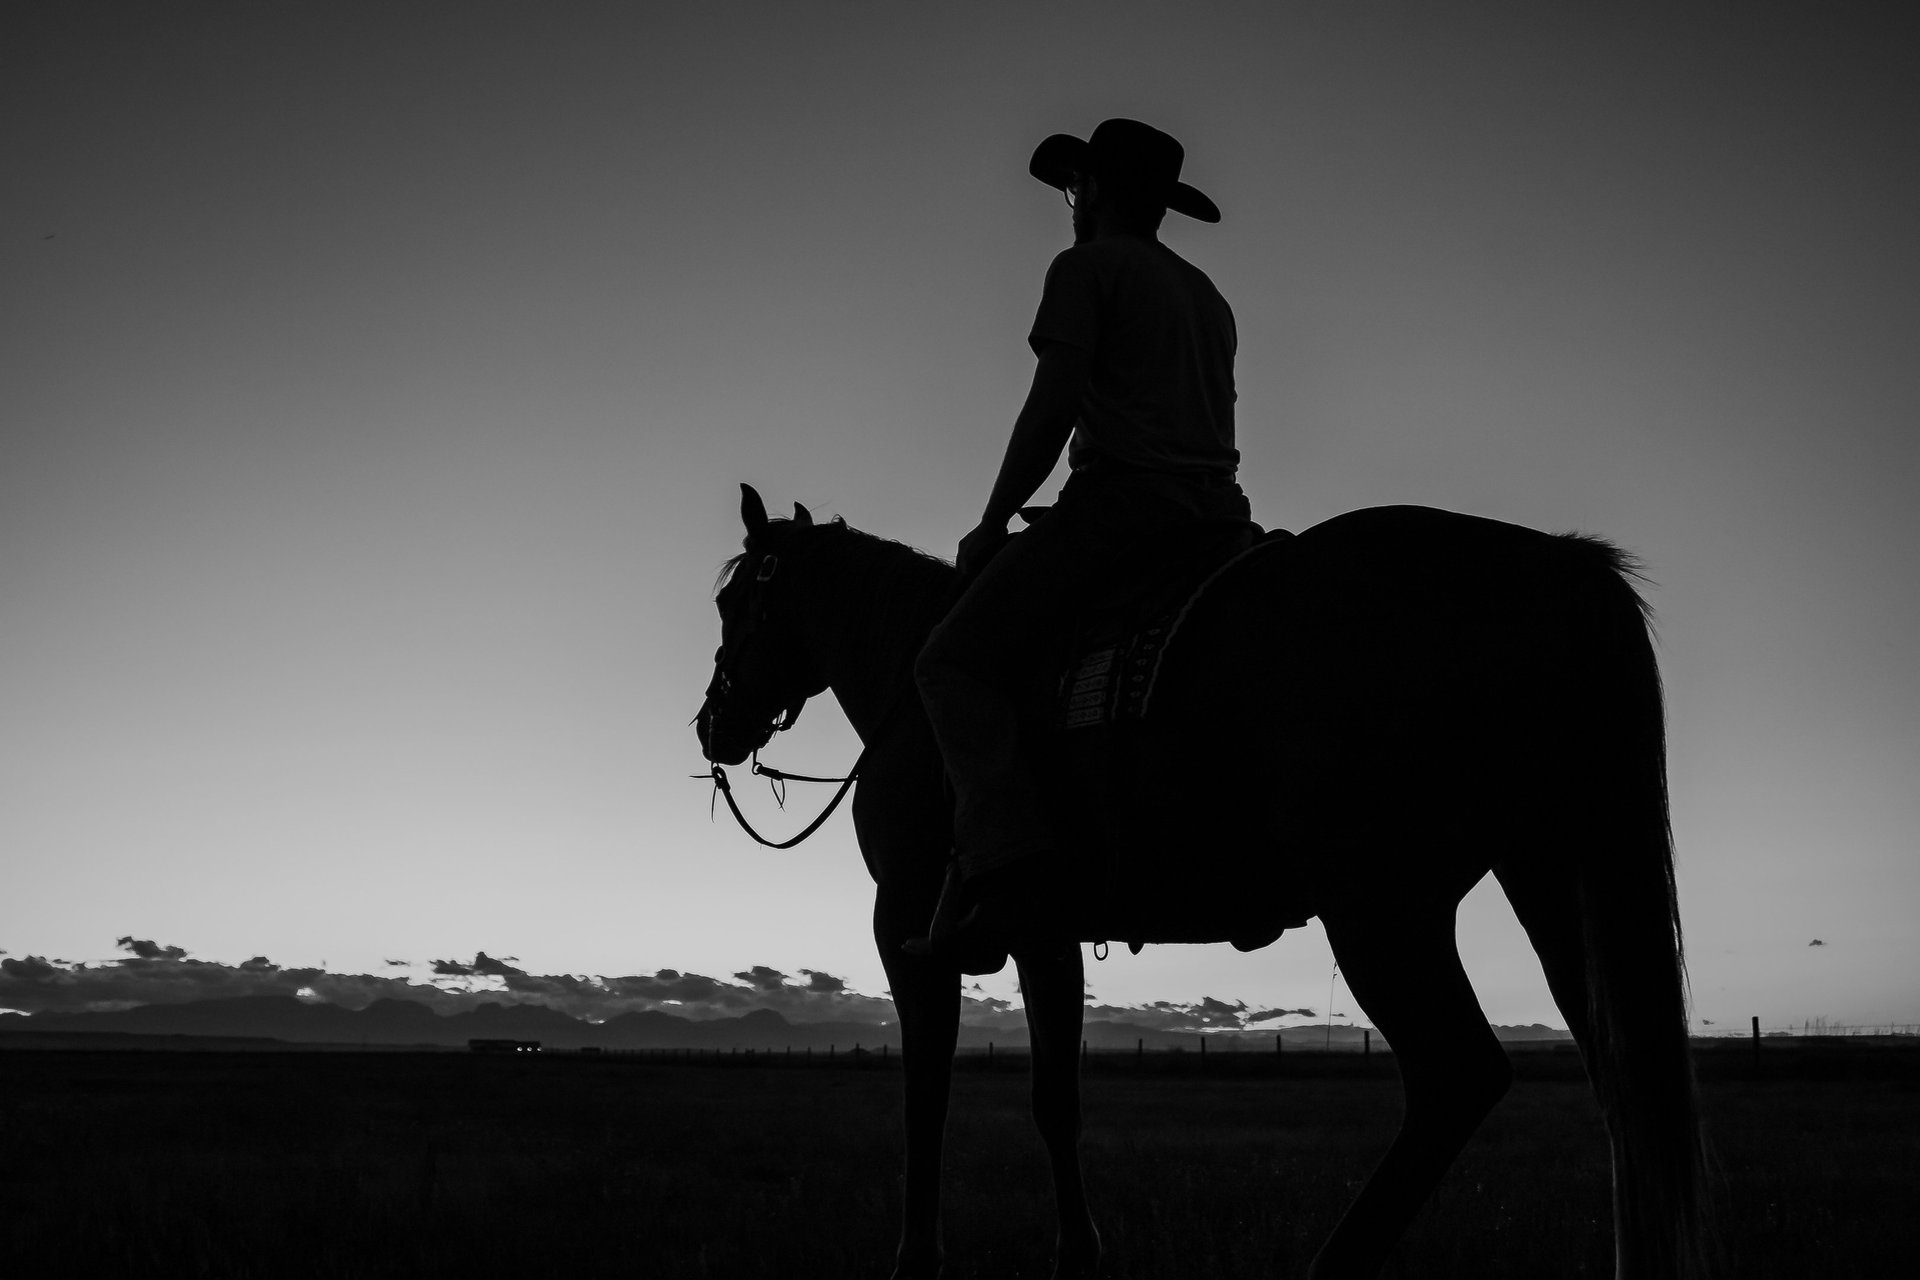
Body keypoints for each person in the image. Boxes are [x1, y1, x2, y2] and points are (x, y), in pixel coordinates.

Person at [908, 118, 1253, 969]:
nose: (1073, 203)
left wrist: (993, 520)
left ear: (1093, 191)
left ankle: (1008, 872)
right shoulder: (1207, 295)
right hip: (1221, 520)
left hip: (1123, 510)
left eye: (1075, 188)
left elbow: (1053, 403)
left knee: (949, 665)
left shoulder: (1085, 268)